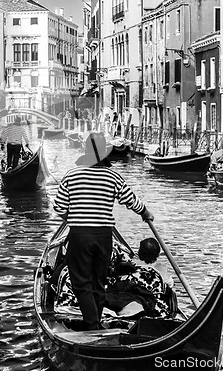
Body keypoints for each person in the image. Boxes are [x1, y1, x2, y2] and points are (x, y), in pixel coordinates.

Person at [53, 131, 154, 330]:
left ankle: (92, 325)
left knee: (81, 283)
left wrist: (74, 218)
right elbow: (131, 200)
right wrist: (145, 213)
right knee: (99, 281)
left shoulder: (71, 175)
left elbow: (58, 207)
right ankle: (95, 321)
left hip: (80, 235)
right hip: (104, 236)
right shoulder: (113, 176)